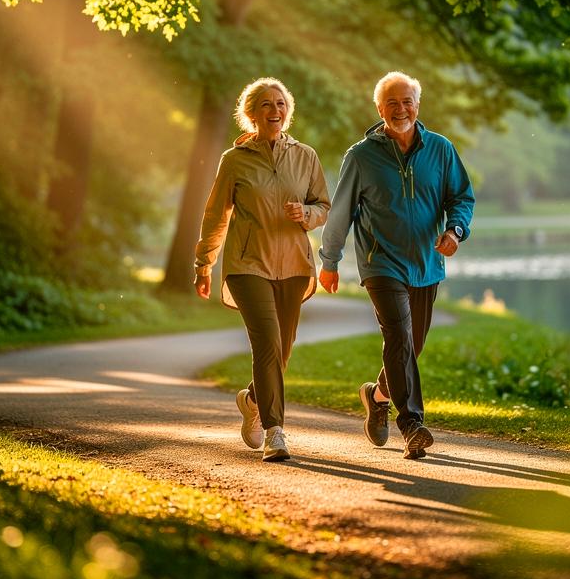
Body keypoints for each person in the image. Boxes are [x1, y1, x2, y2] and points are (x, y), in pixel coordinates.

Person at [318, 71, 474, 459]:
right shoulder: (360, 156)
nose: (400, 109)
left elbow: (461, 197)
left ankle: (377, 395)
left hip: (426, 264)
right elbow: (340, 213)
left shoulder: (440, 149)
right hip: (380, 263)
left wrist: (455, 230)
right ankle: (412, 425)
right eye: (392, 103)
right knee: (400, 337)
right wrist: (330, 260)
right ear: (379, 109)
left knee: (411, 345)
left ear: (418, 106)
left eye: (407, 102)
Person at [194, 77, 330, 462]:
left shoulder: (306, 156)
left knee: (282, 350)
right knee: (267, 343)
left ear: (288, 112)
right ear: (251, 114)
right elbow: (216, 215)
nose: (275, 110)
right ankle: (275, 431)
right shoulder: (234, 160)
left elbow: (323, 206)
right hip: (247, 264)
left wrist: (306, 214)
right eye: (266, 105)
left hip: (294, 264)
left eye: (281, 104)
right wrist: (204, 262)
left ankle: (253, 399)